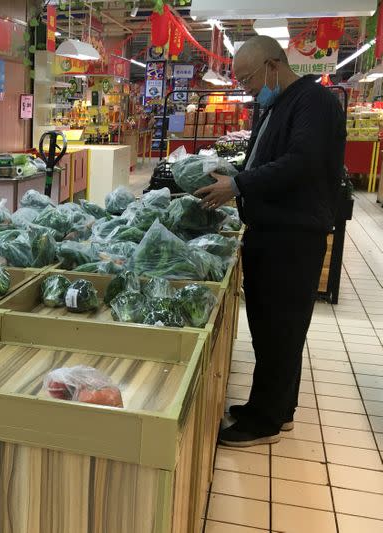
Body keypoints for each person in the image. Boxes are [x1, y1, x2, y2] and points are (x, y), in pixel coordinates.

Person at [197, 36, 346, 446]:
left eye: (248, 80)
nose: (247, 89)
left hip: (293, 237)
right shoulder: (278, 103)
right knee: (271, 329)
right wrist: (233, 175)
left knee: (280, 329)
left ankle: (263, 422)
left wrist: (239, 185)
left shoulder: (313, 103)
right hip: (273, 230)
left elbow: (301, 163)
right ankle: (277, 409)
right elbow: (265, 158)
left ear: (273, 67)